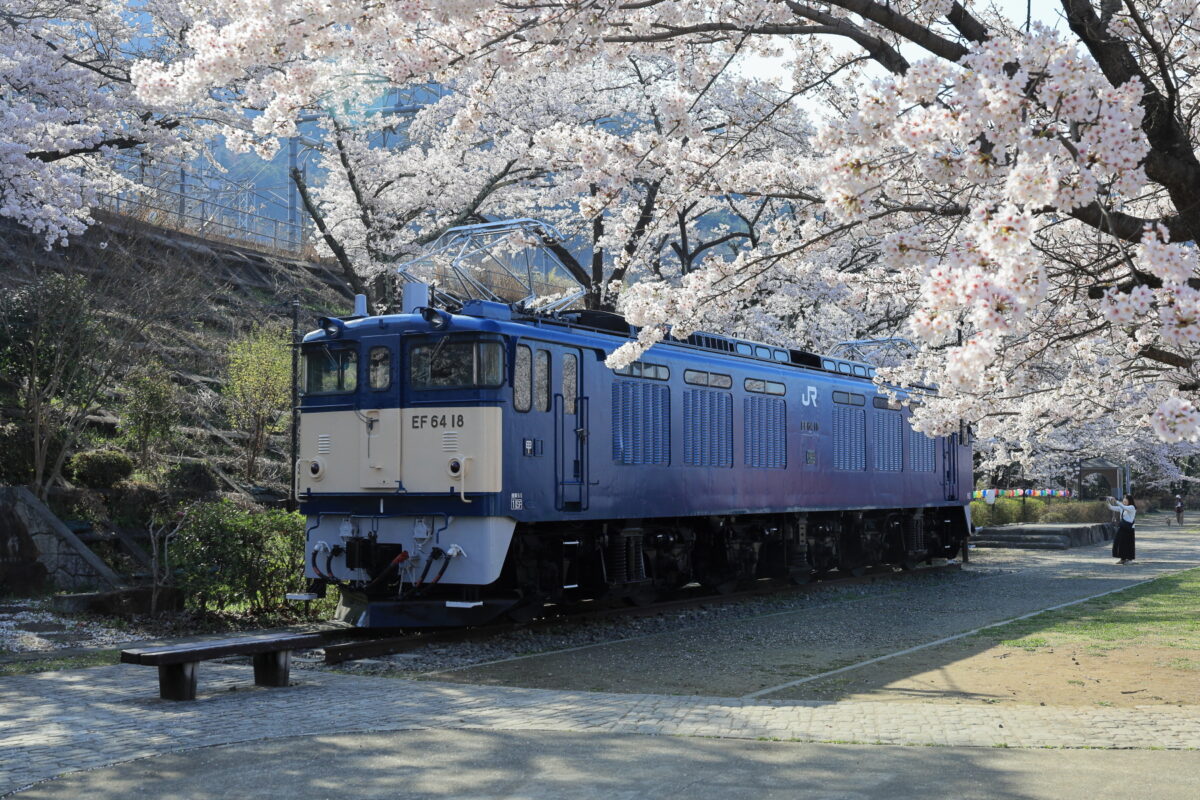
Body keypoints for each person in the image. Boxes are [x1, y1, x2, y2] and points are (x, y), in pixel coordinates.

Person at [1107, 495, 1136, 564]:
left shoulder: (1132, 507)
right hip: (1122, 527)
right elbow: (1111, 507)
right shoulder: (1121, 508)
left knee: (1128, 544)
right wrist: (1107, 501)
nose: (1124, 500)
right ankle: (1122, 558)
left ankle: (1129, 559)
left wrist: (1116, 500)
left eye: (1126, 499)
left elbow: (1124, 507)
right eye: (1124, 499)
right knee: (1119, 542)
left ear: (1130, 500)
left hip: (1129, 529)